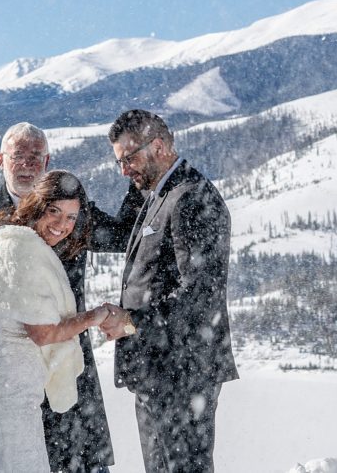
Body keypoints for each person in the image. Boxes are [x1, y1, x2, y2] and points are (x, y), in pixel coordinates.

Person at [0, 123, 115, 472]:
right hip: (5, 371)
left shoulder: (73, 209)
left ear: (47, 160)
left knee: (72, 461)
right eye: (17, 155)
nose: (26, 164)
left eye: (35, 156)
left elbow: (126, 235)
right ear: (0, 160)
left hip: (63, 362)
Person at [98, 110, 238, 473]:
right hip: (161, 373)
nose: (124, 170)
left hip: (182, 372)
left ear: (158, 146)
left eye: (128, 159)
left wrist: (131, 320)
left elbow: (200, 298)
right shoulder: (161, 194)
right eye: (119, 162)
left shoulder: (190, 198)